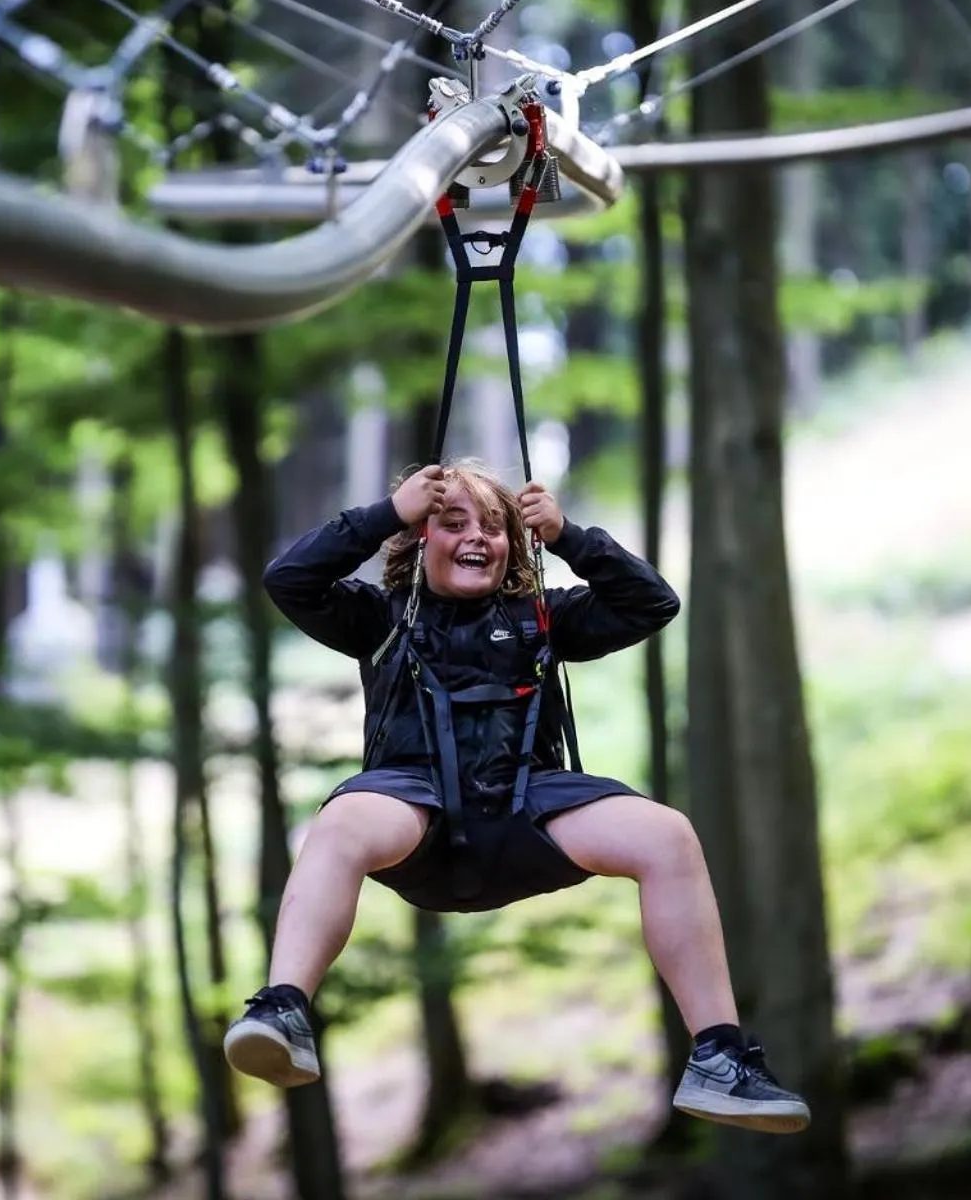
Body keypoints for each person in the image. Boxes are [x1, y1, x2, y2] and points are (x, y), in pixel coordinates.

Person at [221, 458, 812, 1135]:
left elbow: (652, 602)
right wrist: (386, 514)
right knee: (343, 818)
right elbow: (288, 579)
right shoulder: (378, 616)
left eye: (496, 526)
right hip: (419, 812)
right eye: (452, 522)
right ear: (418, 538)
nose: (479, 536)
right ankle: (283, 1008)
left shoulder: (543, 618)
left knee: (668, 834)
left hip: (530, 808)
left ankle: (720, 1056)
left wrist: (568, 537)